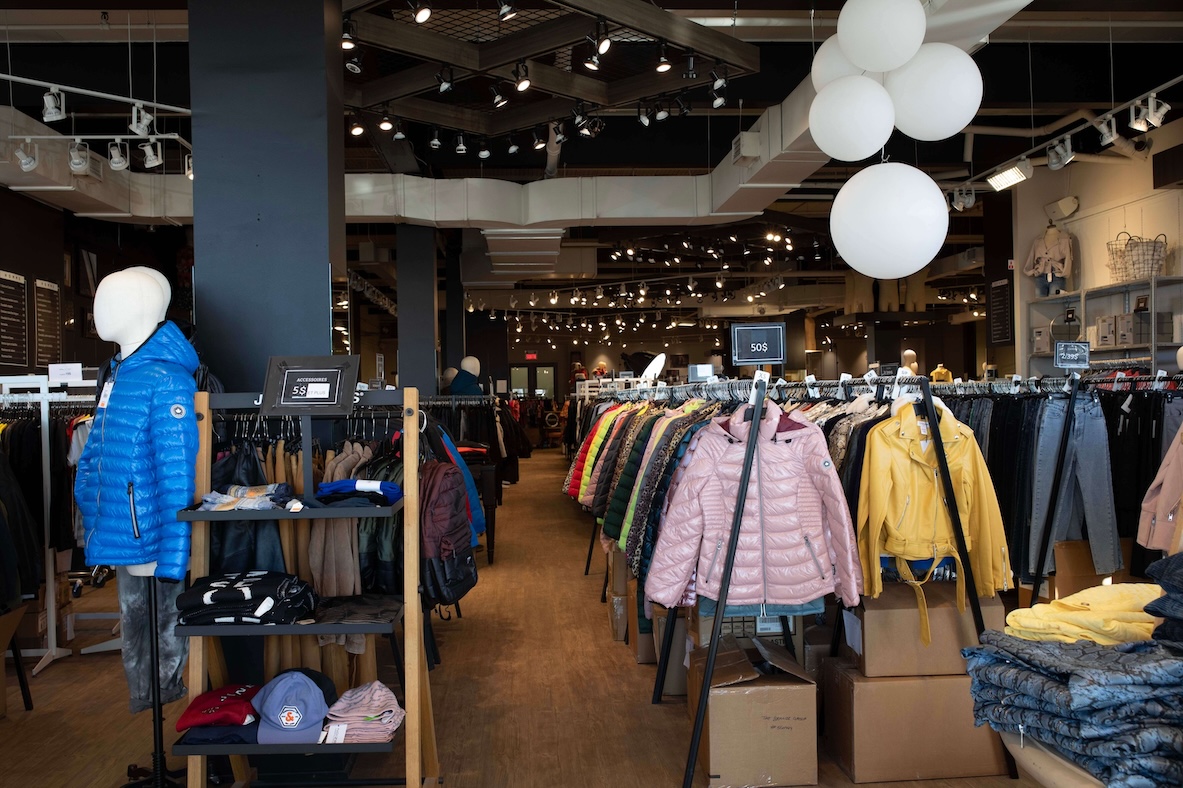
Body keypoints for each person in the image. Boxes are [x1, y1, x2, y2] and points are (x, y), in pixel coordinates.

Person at [74, 268, 199, 713]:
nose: (98, 311)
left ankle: (161, 696)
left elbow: (176, 477)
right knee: (135, 626)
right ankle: (148, 699)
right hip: (124, 533)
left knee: (160, 628)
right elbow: (96, 453)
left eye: (111, 301)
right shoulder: (117, 374)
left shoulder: (166, 380)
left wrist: (174, 557)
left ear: (143, 308)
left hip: (149, 538)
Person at [1025, 224, 1073, 297]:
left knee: (1056, 301)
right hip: (1041, 275)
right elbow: (1032, 256)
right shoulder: (1038, 240)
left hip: (1057, 275)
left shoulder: (1064, 238)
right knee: (1040, 302)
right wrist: (1032, 271)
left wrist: (1065, 273)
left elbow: (1068, 258)